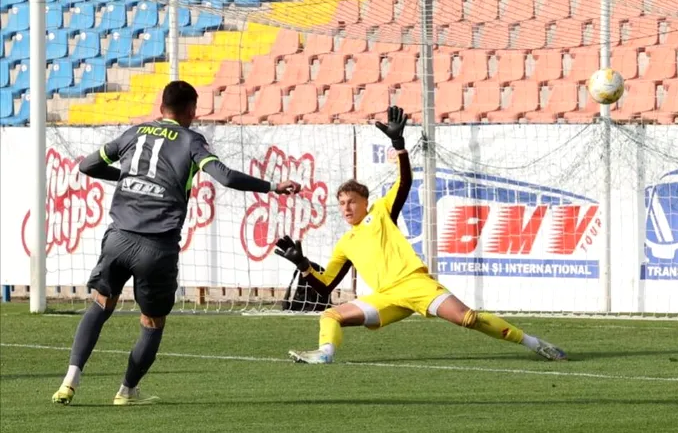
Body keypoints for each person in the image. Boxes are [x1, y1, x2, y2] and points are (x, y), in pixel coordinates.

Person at [52, 81, 302, 406]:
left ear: (161, 107)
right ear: (191, 111)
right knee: (152, 322)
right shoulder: (191, 140)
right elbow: (225, 176)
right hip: (156, 247)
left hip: (118, 239)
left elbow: (88, 166)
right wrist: (272, 187)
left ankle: (69, 380)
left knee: (100, 304)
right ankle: (127, 391)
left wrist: (129, 178)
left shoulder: (134, 133)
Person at [275, 106, 567, 365]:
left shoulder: (381, 212)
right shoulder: (345, 243)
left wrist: (399, 146)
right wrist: (304, 265)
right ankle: (324, 354)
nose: (346, 208)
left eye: (351, 201)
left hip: (414, 284)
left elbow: (404, 181)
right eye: (341, 203)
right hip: (386, 297)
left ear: (365, 201)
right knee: (330, 315)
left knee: (467, 318)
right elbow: (325, 287)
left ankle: (534, 343)